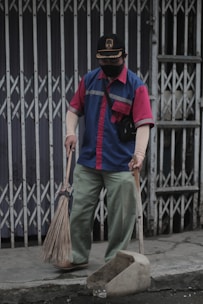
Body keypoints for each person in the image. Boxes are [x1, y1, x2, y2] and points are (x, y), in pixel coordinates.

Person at [56, 34, 154, 270]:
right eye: (104, 60)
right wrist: (70, 132)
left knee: (122, 218)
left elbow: (143, 124)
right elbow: (73, 110)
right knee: (79, 212)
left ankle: (114, 260)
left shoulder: (136, 86)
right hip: (89, 161)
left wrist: (139, 155)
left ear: (124, 57)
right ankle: (78, 256)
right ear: (98, 58)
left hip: (121, 164)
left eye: (114, 60)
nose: (109, 65)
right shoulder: (89, 80)